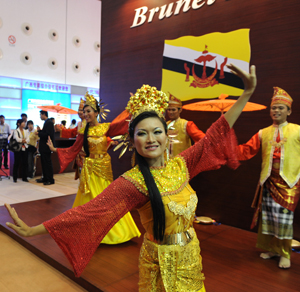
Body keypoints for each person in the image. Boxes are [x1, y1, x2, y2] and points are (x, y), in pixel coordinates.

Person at [5, 64, 256, 291]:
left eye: (157, 131)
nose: (151, 139)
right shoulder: (133, 182)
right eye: (142, 133)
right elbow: (87, 213)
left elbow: (216, 133)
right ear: (132, 141)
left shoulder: (182, 164)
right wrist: (33, 230)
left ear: (167, 137)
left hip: (191, 255)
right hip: (158, 263)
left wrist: (246, 94)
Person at [46, 92, 141, 244]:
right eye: (84, 111)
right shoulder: (84, 131)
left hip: (104, 168)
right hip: (90, 169)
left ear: (97, 112)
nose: (86, 114)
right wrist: (55, 150)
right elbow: (74, 148)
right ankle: (90, 231)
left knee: (108, 198)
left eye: (88, 111)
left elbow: (123, 124)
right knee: (92, 200)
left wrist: (133, 109)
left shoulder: (106, 127)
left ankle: (113, 232)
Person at [237, 87, 299, 269]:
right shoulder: (263, 132)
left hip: (289, 183)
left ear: (289, 111)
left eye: (281, 108)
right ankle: (273, 249)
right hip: (268, 182)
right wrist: (226, 145)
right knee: (270, 218)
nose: (276, 111)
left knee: (284, 220)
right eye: (274, 108)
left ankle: (285, 253)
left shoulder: (297, 131)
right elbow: (245, 151)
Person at [35, 110, 55, 185]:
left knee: (47, 163)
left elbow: (47, 134)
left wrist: (39, 133)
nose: (40, 116)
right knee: (44, 163)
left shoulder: (49, 122)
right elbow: (45, 132)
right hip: (44, 147)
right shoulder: (47, 122)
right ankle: (45, 177)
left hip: (47, 146)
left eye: (40, 115)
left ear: (44, 114)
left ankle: (50, 179)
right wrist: (40, 131)